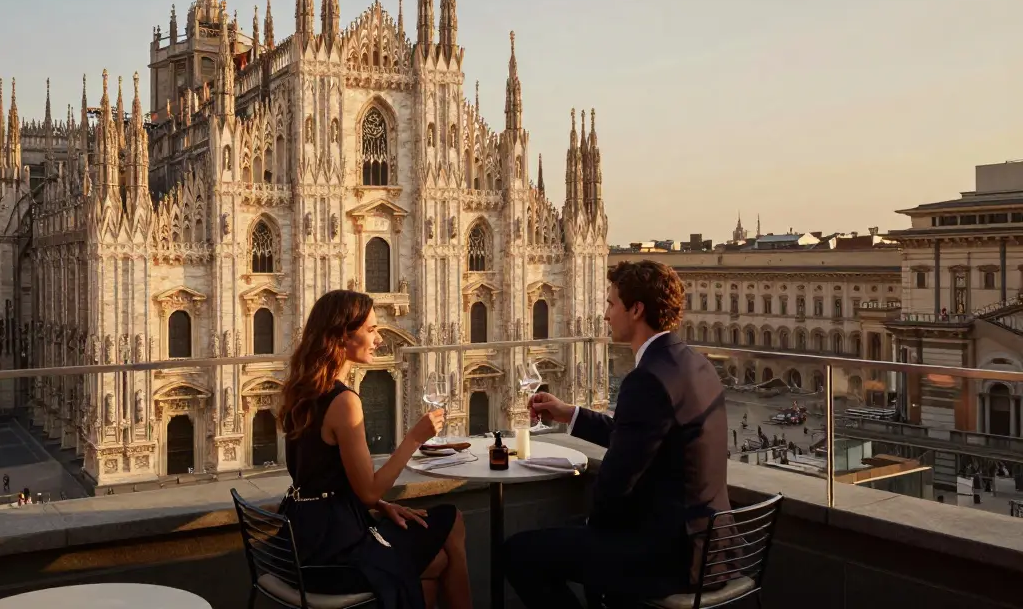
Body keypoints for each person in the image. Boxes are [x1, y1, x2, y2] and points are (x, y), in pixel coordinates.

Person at [506, 260, 730, 607]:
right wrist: (570, 414)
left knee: (519, 553)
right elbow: (641, 436)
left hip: (669, 557)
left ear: (636, 309)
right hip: (712, 547)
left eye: (611, 304)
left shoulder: (647, 379)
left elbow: (614, 483)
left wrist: (591, 526)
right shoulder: (695, 363)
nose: (606, 316)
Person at [276, 289, 471, 609]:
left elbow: (320, 474)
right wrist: (414, 439)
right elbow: (366, 491)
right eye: (371, 329)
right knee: (450, 527)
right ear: (341, 336)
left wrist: (382, 505)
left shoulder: (302, 390)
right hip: (334, 553)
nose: (379, 338)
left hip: (303, 539)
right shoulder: (344, 402)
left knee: (439, 551)